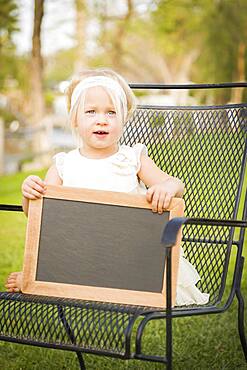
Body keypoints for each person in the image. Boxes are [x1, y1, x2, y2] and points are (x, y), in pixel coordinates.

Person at [6, 68, 209, 306]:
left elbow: (177, 184)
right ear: (74, 119)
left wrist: (167, 187)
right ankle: (37, 279)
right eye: (91, 112)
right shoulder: (63, 165)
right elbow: (37, 214)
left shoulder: (133, 158)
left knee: (126, 258)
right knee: (63, 243)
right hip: (82, 253)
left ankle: (42, 280)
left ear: (123, 119)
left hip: (127, 255)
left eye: (111, 112)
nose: (101, 119)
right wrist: (28, 194)